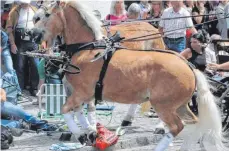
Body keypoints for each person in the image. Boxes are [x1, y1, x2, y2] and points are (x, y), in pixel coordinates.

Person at [6, 0, 39, 96]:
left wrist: (42, 41)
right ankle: (19, 89)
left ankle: (34, 88)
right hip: (19, 41)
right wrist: (12, 44)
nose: (25, 4)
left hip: (33, 41)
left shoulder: (35, 10)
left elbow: (41, 26)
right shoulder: (14, 11)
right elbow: (9, 28)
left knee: (35, 65)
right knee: (19, 66)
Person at [1, 30, 21, 102]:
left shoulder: (3, 35)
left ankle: (18, 92)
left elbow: (1, 49)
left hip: (4, 50)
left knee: (11, 70)